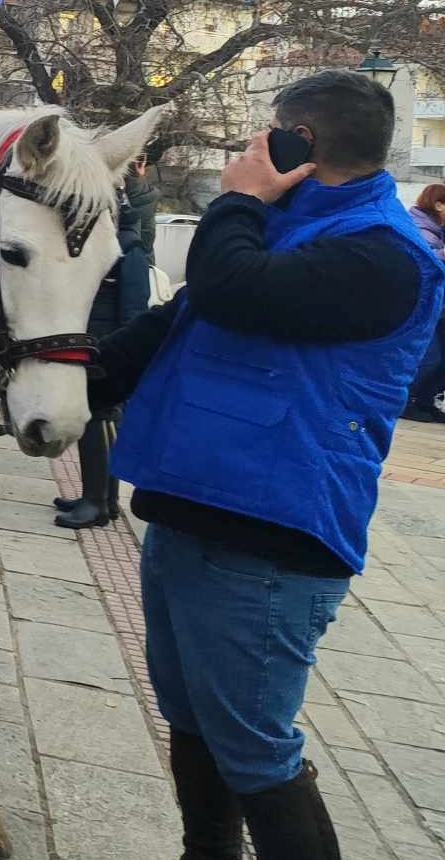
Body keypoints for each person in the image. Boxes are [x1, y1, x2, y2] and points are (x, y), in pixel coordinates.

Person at [94, 71, 443, 860]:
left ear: (301, 143)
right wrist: (67, 377)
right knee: (191, 718)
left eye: (267, 132)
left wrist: (237, 199)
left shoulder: (384, 253)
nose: (253, 146)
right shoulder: (287, 229)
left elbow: (227, 290)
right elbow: (178, 321)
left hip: (272, 539)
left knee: (255, 748)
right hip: (193, 507)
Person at [51, 188, 150, 528]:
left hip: (107, 346)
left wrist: (122, 356)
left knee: (96, 419)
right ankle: (100, 498)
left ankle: (97, 501)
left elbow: (135, 311)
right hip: (90, 340)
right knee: (95, 418)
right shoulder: (102, 246)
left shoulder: (129, 248)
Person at [402, 184, 445, 420]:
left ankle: (426, 401)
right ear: (438, 204)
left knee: (441, 361)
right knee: (429, 359)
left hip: (439, 309)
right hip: (422, 308)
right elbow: (423, 263)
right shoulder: (420, 229)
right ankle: (405, 401)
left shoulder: (439, 230)